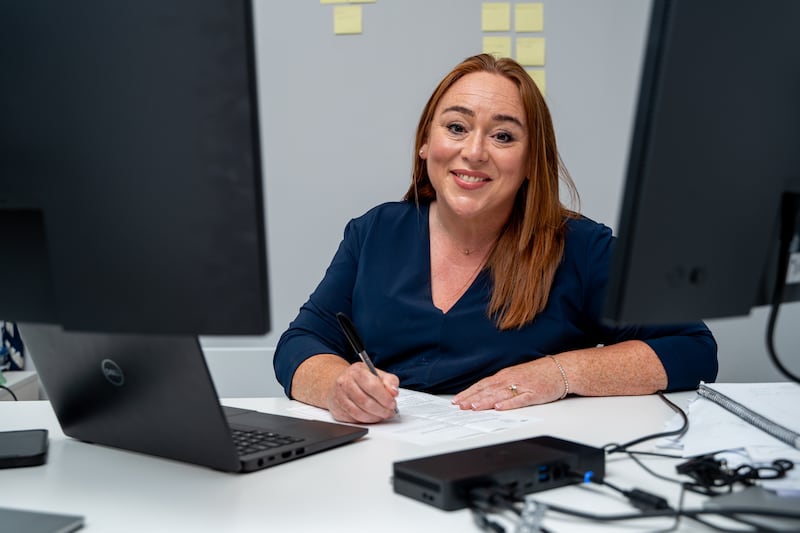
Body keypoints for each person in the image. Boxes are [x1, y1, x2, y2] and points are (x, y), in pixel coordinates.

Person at [273, 53, 718, 424]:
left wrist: (558, 372)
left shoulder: (582, 248)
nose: (474, 151)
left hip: (518, 472)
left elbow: (692, 349)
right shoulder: (373, 232)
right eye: (456, 127)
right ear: (425, 143)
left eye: (503, 135)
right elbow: (299, 345)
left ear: (530, 161)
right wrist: (339, 388)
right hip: (377, 469)